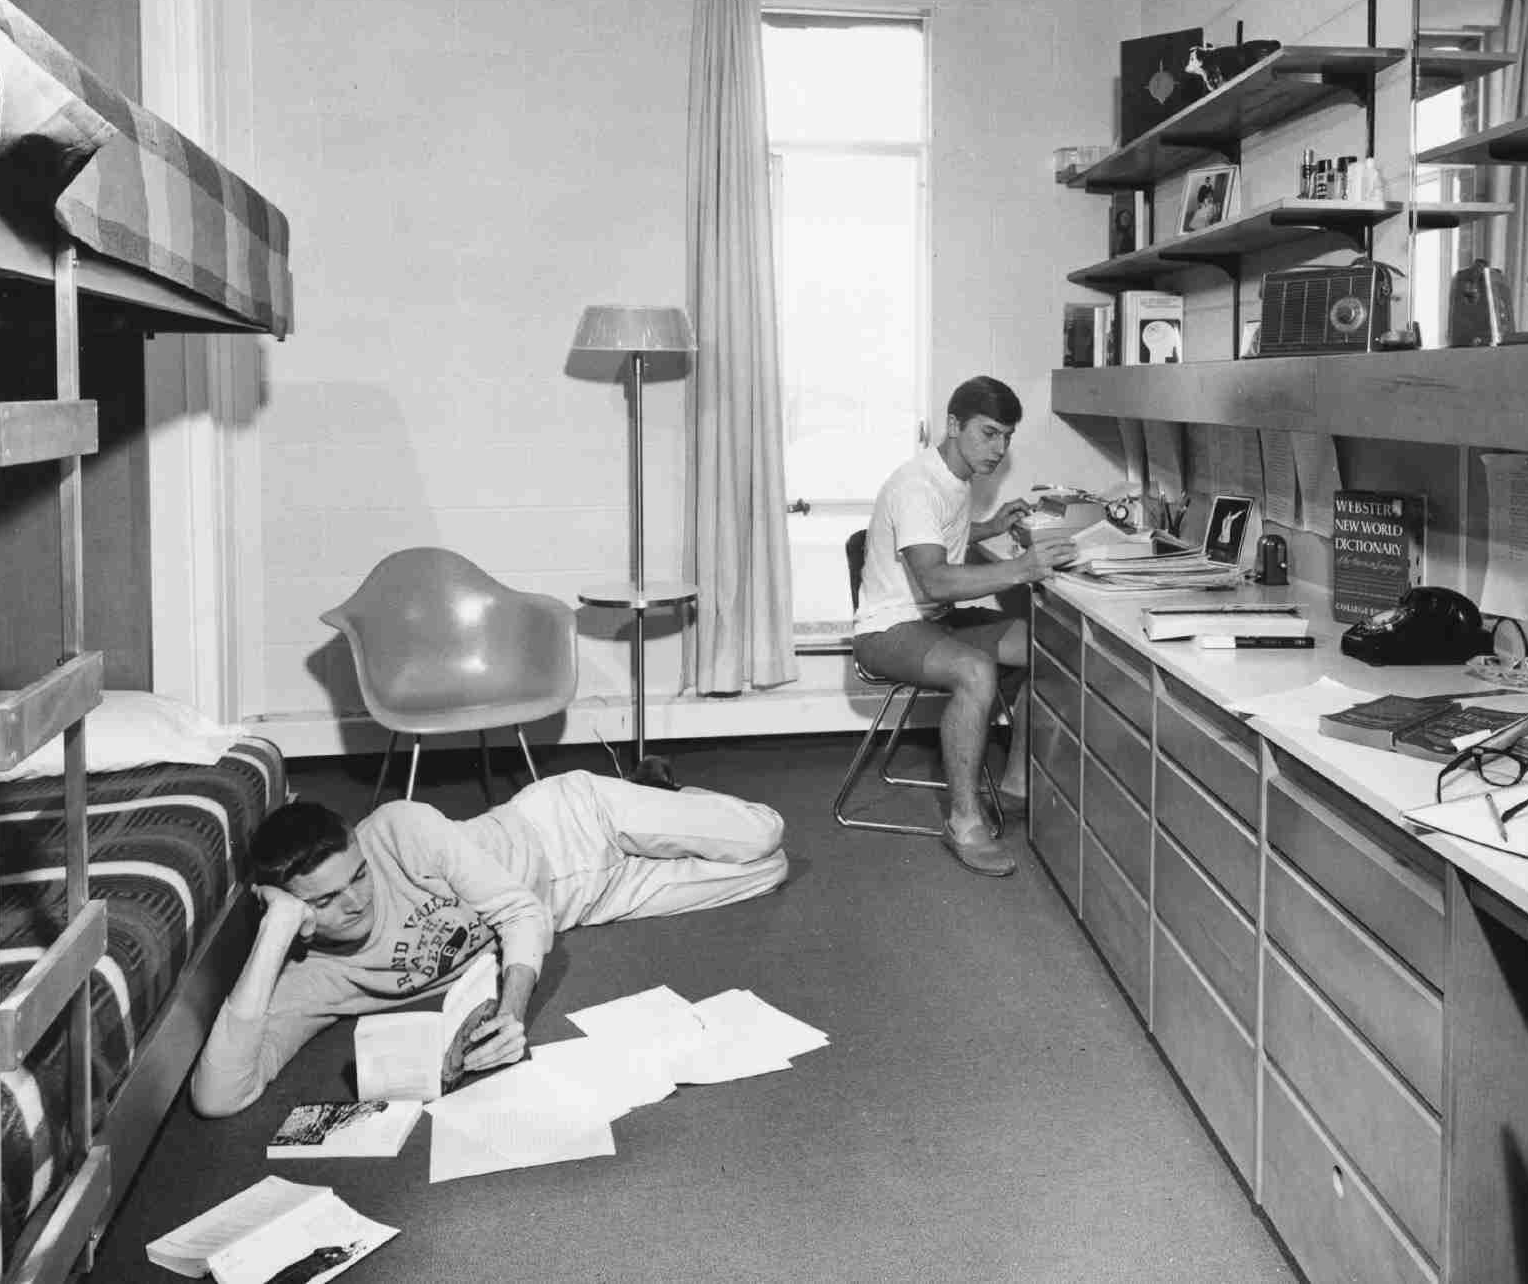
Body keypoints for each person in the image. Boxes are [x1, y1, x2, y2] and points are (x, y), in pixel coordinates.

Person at [190, 770, 787, 1117]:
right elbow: (219, 1097)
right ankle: (670, 813)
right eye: (324, 900)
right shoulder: (311, 979)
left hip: (573, 822)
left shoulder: (397, 829)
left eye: (359, 875)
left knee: (764, 835)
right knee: (769, 872)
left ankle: (663, 792)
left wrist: (512, 1009)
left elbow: (519, 911)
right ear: (289, 907)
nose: (356, 901)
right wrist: (273, 935)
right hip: (588, 903)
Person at [851, 376, 1076, 878]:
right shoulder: (916, 485)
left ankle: (1015, 786)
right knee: (976, 672)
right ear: (954, 425)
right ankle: (965, 822)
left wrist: (991, 527)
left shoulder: (955, 476)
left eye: (1007, 437)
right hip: (889, 629)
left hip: (933, 622)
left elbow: (938, 535)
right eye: (988, 433)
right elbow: (933, 581)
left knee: (1046, 647)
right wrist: (1022, 568)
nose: (999, 449)